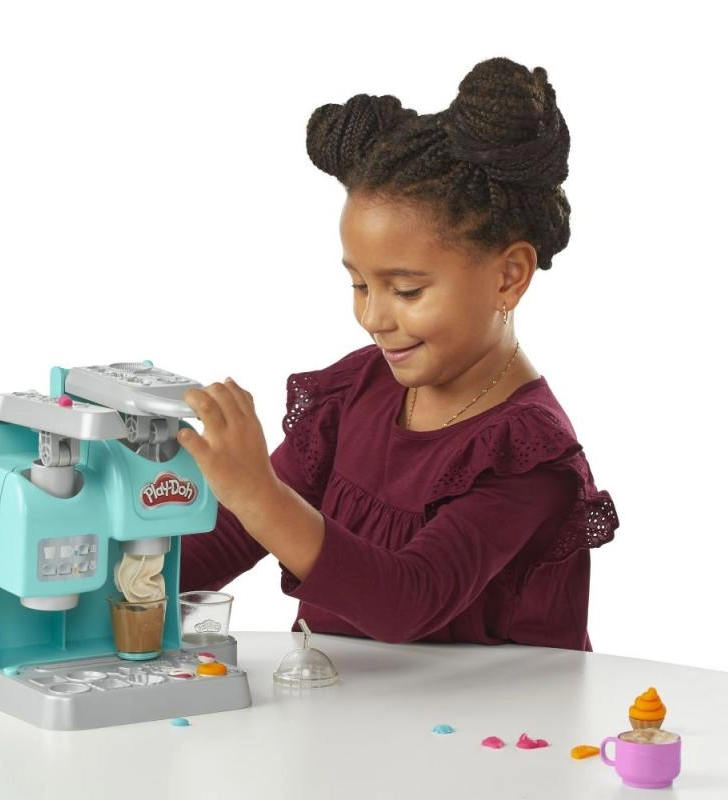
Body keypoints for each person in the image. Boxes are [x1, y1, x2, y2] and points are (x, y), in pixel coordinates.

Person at [177, 57, 618, 651]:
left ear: (509, 276)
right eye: (360, 284)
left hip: (496, 713)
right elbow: (232, 537)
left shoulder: (526, 454)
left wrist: (258, 492)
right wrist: (103, 569)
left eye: (406, 291)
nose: (373, 318)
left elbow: (409, 599)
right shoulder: (356, 393)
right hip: (357, 707)